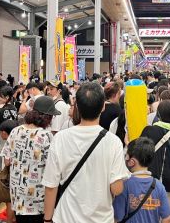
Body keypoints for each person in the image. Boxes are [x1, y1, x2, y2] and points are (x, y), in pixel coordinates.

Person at [42, 82, 129, 223]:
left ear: (76, 107)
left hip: (66, 217)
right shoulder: (113, 142)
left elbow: (51, 185)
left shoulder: (60, 138)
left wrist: (47, 219)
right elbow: (117, 189)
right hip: (101, 218)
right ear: (103, 107)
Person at [1, 96, 57, 223]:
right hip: (38, 197)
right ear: (47, 117)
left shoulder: (15, 131)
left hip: (18, 194)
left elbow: (7, 161)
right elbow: (52, 166)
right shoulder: (46, 136)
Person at [141, 100, 170, 223]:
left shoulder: (148, 131)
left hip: (148, 182)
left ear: (159, 115)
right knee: (169, 216)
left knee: (147, 216)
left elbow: (139, 155)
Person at [113, 137, 170, 223]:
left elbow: (117, 218)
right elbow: (167, 218)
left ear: (132, 161)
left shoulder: (124, 185)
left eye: (126, 156)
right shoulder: (159, 186)